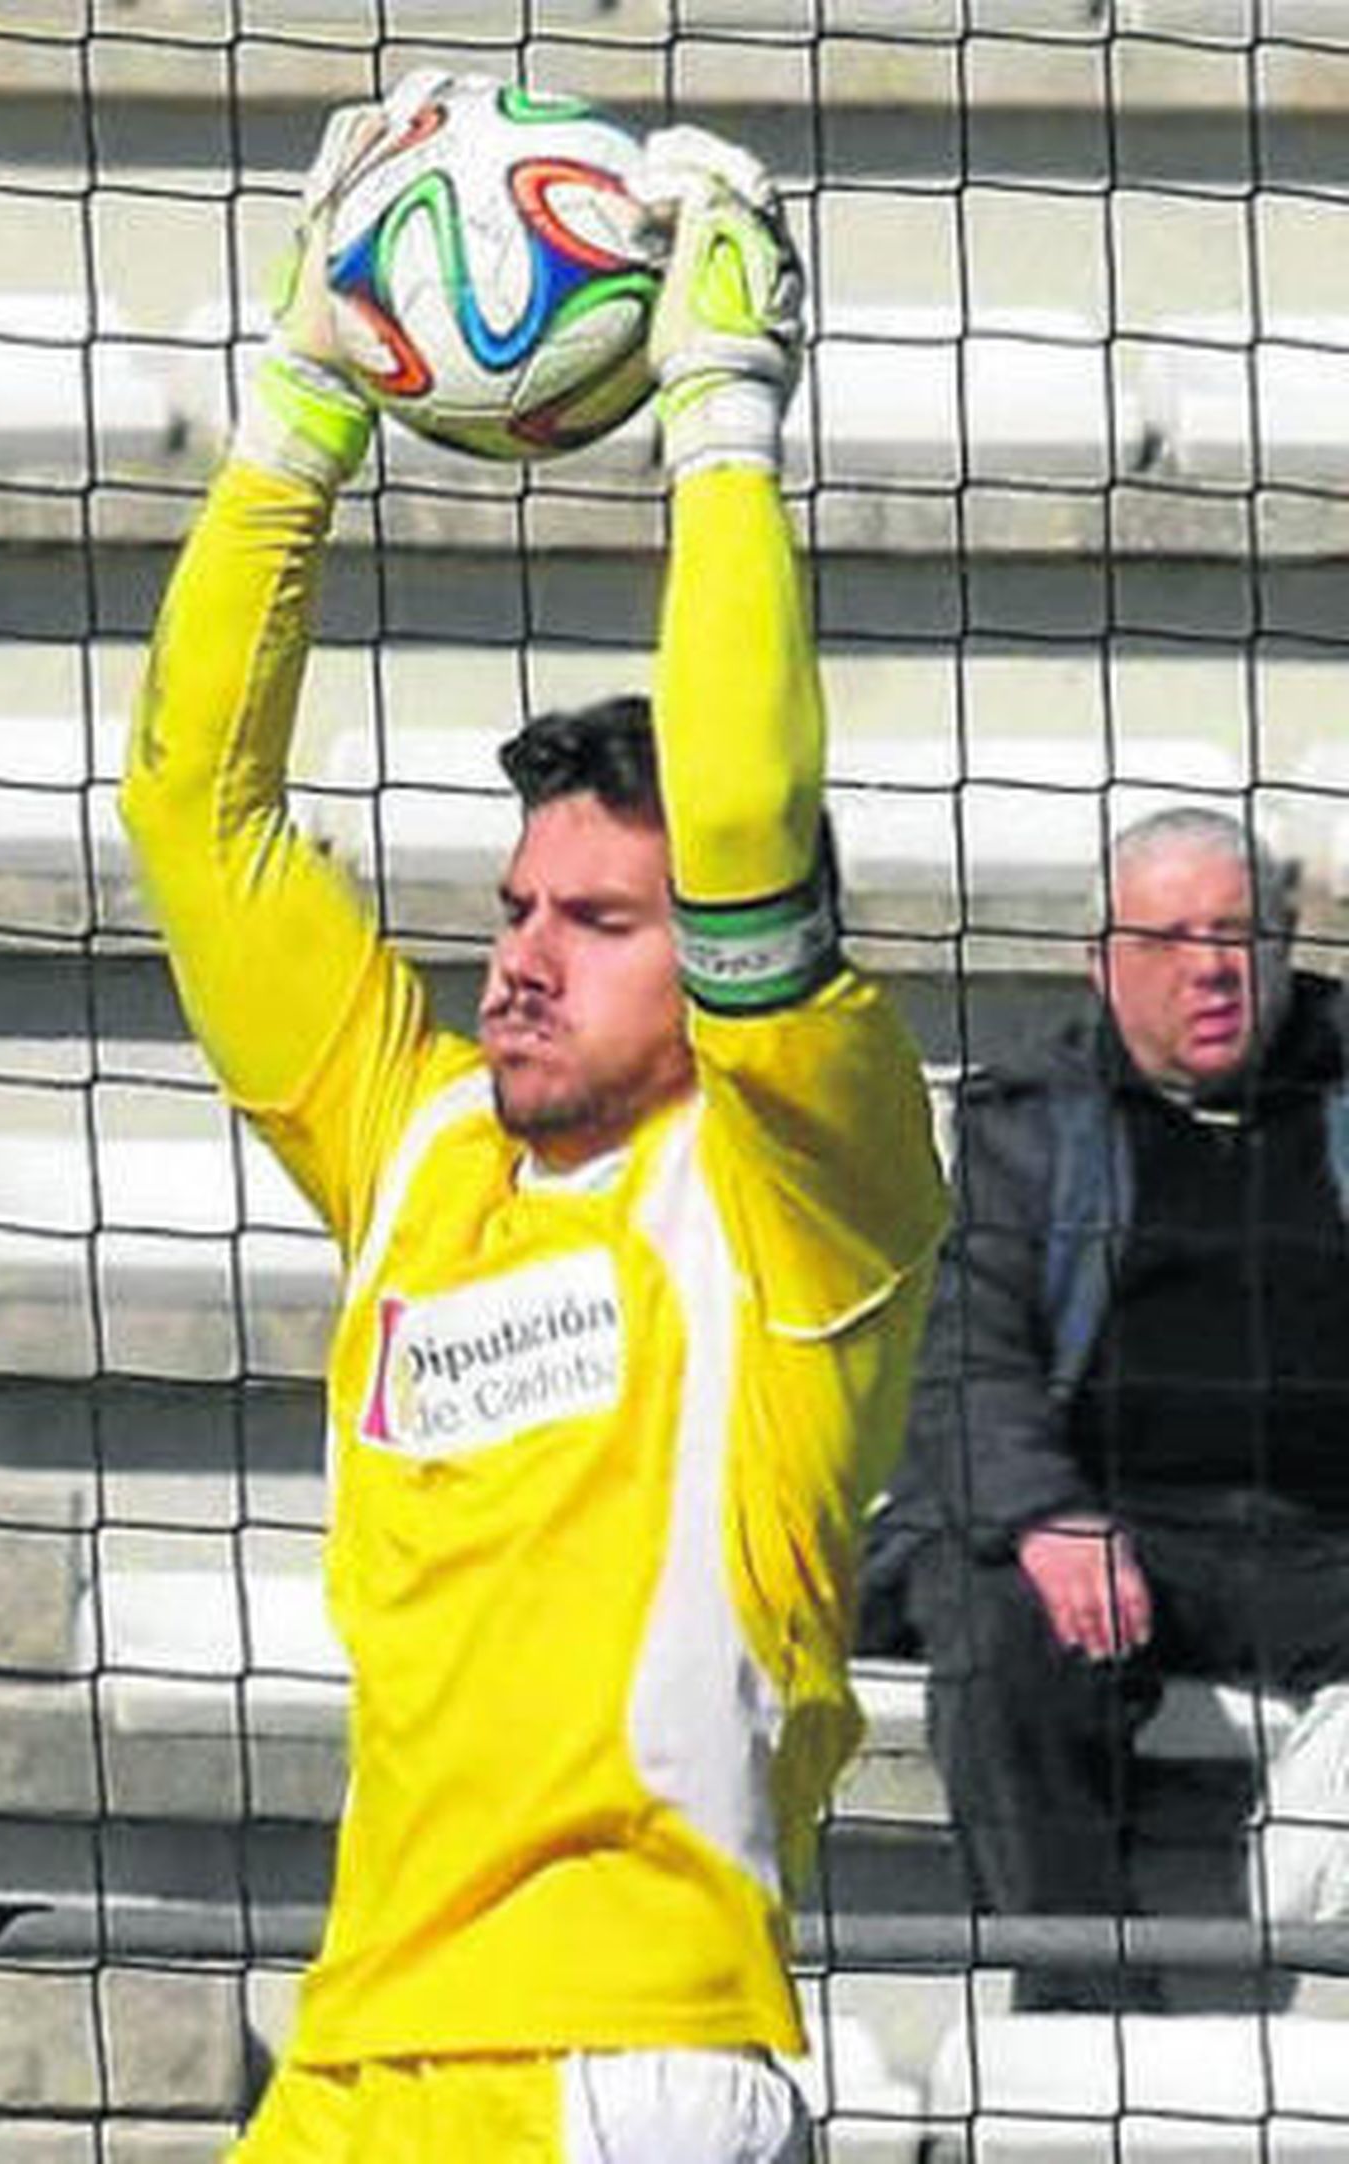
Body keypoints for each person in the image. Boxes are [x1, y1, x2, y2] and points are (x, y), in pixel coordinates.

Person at [120, 73, 946, 2164]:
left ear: (729, 967)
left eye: (596, 922)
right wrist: (306, 386)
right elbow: (192, 819)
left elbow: (747, 828)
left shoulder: (800, 1198)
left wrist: (720, 415)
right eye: (511, 911)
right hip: (357, 2043)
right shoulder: (420, 1148)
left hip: (633, 2057)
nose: (519, 958)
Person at [867, 803, 1349, 2008]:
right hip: (1116, 1530)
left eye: (1238, 932)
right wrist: (1044, 1513)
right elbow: (965, 1361)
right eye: (1167, 938)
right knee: (991, 1622)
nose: (1209, 968)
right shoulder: (1029, 1117)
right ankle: (1085, 2017)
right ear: (1100, 962)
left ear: (1288, 944)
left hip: (1325, 1546)